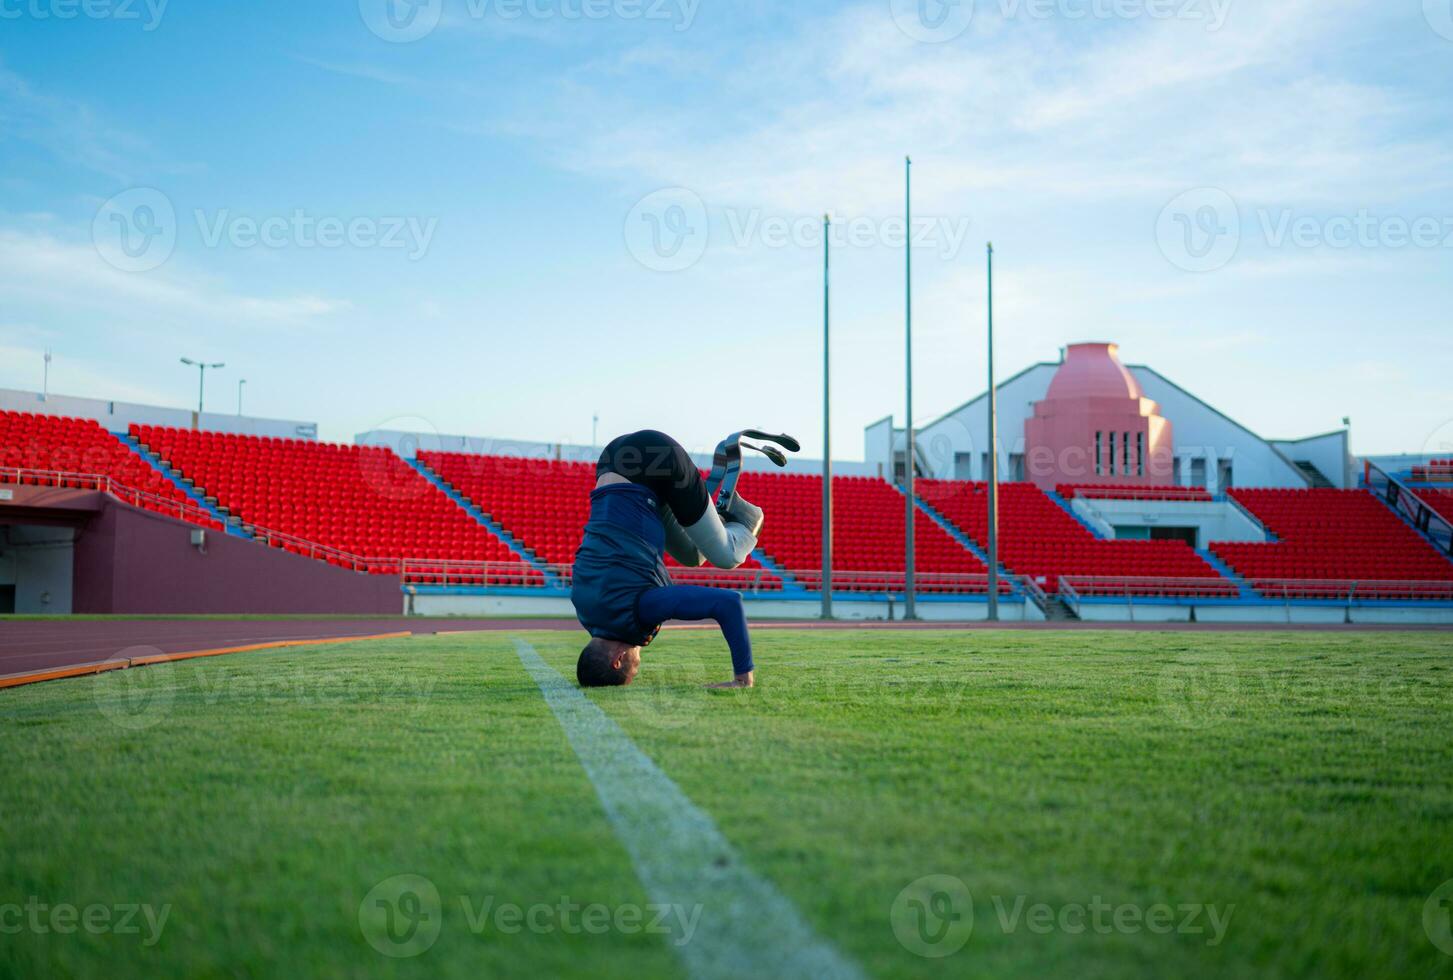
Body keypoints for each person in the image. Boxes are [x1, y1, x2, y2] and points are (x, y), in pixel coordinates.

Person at [571, 429, 764, 689]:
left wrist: (743, 676)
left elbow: (728, 603)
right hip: (612, 462)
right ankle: (710, 515)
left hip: (657, 463)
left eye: (635, 669)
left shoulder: (639, 611)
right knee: (693, 555)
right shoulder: (585, 609)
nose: (638, 663)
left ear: (618, 660)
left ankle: (748, 518)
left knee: (726, 556)